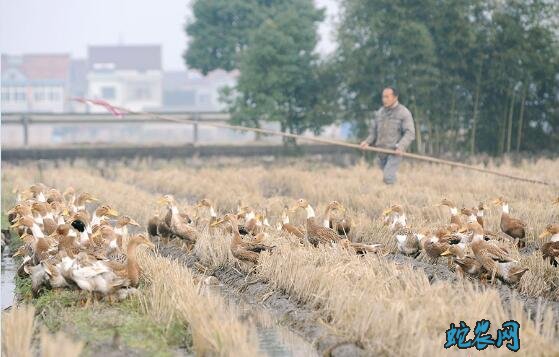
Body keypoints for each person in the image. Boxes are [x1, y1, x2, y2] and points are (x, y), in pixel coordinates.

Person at [360, 87, 415, 185]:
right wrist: (367, 142)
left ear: (395, 97)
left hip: (394, 152)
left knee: (388, 177)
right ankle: (394, 193)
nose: (384, 99)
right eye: (383, 97)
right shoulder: (380, 112)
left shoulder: (403, 112)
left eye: (387, 97)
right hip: (381, 151)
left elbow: (410, 133)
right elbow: (373, 132)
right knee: (387, 177)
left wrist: (401, 147)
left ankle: (393, 196)